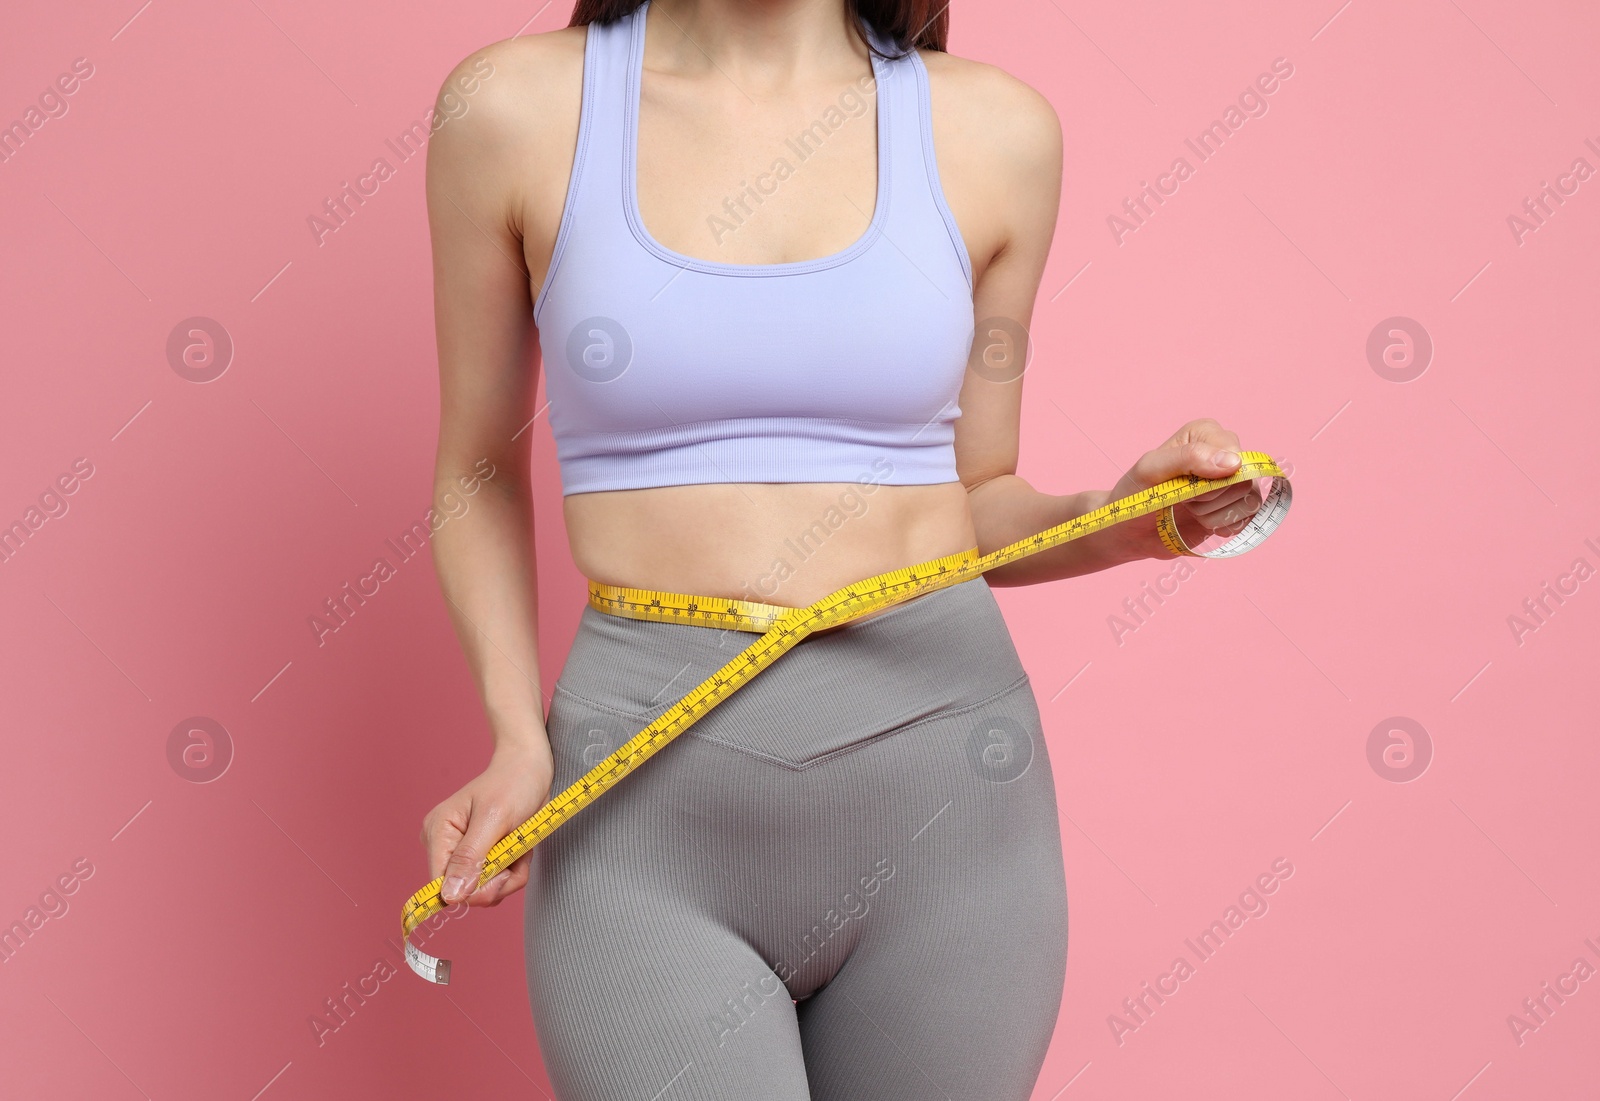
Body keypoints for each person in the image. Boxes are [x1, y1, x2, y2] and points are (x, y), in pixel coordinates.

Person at [418, 1, 1262, 1096]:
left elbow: (977, 502)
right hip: (645, 803)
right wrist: (511, 735)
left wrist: (1125, 518)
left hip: (948, 799)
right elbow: (475, 469)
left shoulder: (996, 131)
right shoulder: (516, 108)